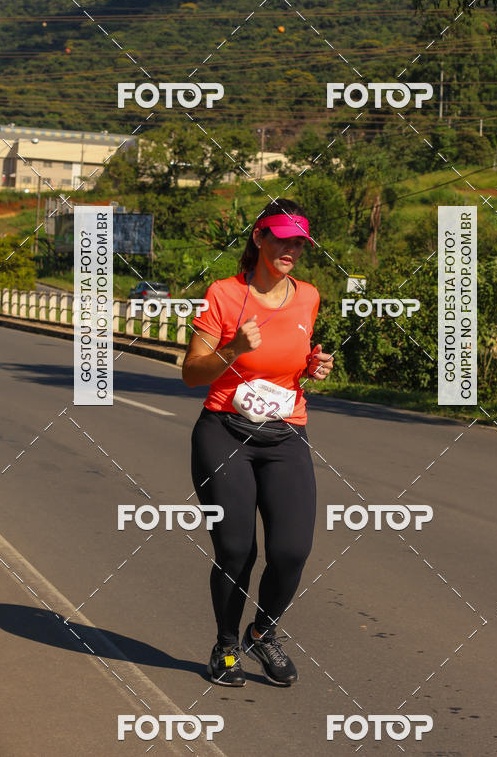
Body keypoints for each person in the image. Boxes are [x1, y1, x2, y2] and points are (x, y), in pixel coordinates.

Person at [182, 198, 334, 688]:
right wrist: (233, 350)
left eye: (299, 243)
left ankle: (262, 633)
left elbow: (291, 366)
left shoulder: (308, 297)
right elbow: (191, 373)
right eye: (282, 239)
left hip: (285, 434)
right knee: (236, 549)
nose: (291, 250)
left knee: (291, 550)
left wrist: (313, 367)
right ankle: (226, 646)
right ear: (259, 237)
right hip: (224, 432)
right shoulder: (223, 294)